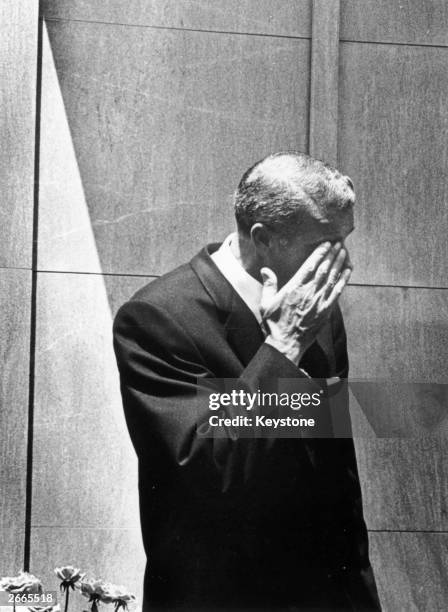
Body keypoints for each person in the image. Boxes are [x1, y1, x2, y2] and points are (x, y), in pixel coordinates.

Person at [113, 152, 381, 611]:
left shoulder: (319, 311)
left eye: (346, 240)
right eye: (326, 243)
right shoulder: (159, 318)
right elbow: (210, 470)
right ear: (264, 239)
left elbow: (335, 478)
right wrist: (283, 348)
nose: (342, 262)